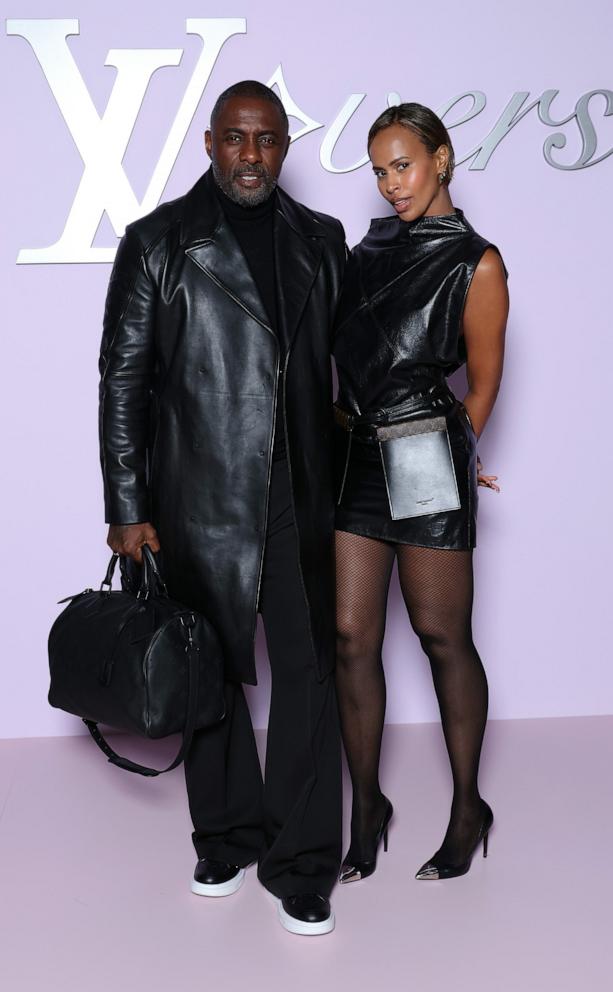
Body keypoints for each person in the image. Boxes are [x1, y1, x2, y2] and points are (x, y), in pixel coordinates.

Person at [98, 80, 347, 935]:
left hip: (302, 497)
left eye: (268, 139)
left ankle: (304, 860)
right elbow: (124, 380)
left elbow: (344, 373)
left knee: (310, 674)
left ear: (284, 148)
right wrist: (126, 502)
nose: (251, 154)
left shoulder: (322, 240)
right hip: (197, 498)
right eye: (236, 139)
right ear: (209, 144)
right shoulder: (158, 242)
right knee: (208, 670)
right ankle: (227, 835)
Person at [332, 103, 508, 883]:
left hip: (422, 453)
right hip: (354, 453)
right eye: (378, 169)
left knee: (441, 637)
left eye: (401, 164)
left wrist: (454, 457)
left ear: (440, 159)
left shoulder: (477, 261)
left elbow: (482, 385)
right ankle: (366, 806)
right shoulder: (363, 251)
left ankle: (468, 807)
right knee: (349, 637)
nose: (389, 183)